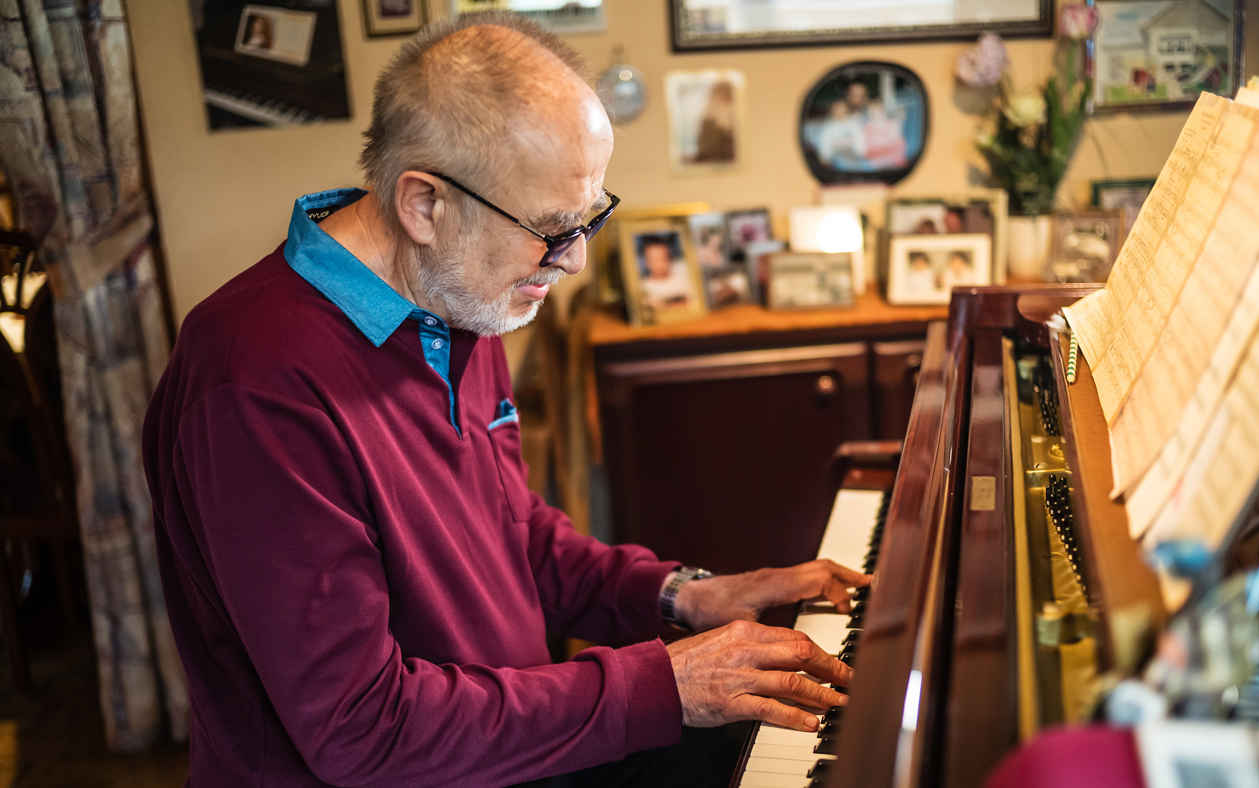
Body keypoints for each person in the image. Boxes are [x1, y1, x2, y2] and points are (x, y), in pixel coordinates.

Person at [142, 12, 867, 788]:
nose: (575, 261)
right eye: (553, 230)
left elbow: (510, 532)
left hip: (511, 745)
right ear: (423, 205)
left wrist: (682, 594)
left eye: (589, 218)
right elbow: (360, 730)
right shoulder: (255, 379)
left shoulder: (460, 292)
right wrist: (661, 684)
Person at [638, 234, 693, 309]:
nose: (660, 264)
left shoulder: (684, 279)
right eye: (654, 260)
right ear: (647, 262)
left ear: (670, 259)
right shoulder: (643, 287)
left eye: (663, 258)